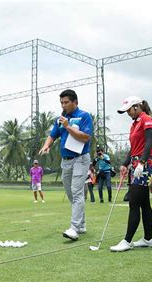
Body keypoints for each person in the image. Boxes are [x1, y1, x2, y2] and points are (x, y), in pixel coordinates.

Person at [39, 89, 92, 241]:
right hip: (66, 161)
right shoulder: (60, 119)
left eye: (66, 102)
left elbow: (85, 137)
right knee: (71, 194)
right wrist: (47, 145)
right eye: (61, 102)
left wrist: (68, 127)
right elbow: (52, 135)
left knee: (76, 192)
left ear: (75, 102)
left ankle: (74, 228)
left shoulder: (84, 116)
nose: (63, 105)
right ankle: (81, 225)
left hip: (80, 159)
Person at [110, 96, 152, 252]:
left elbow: (149, 142)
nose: (128, 113)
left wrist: (142, 163)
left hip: (145, 164)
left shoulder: (147, 119)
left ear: (137, 107)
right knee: (144, 204)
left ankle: (127, 241)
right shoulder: (134, 124)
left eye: (129, 110)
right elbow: (134, 147)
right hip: (136, 163)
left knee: (134, 203)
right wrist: (125, 163)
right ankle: (148, 239)